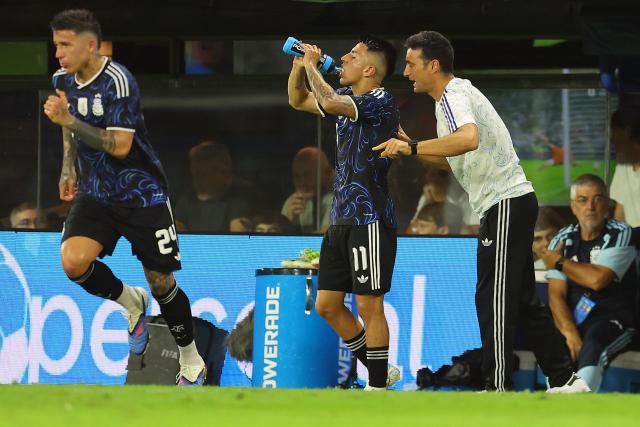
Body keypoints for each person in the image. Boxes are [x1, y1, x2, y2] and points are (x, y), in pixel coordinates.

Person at [373, 30, 588, 393]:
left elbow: (468, 139)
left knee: (494, 298)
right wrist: (408, 144)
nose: (406, 72)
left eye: (411, 64)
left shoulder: (454, 94)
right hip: (506, 204)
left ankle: (497, 387)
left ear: (434, 65)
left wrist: (410, 149)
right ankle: (565, 379)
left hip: (506, 203)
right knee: (518, 298)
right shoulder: (448, 102)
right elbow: (449, 159)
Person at [43, 9, 205, 385]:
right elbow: (68, 129)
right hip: (97, 193)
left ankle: (191, 359)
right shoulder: (62, 79)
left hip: (141, 195)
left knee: (161, 283)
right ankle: (130, 302)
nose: (59, 54)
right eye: (56, 46)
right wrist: (68, 167)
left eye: (66, 45)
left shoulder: (119, 81)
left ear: (90, 44)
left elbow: (119, 145)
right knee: (73, 261)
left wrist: (67, 120)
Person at [287, 34, 400, 390]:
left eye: (353, 55)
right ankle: (381, 369)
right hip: (340, 220)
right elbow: (297, 99)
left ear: (369, 69)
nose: (343, 59)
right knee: (328, 305)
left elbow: (330, 101)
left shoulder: (380, 100)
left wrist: (311, 67)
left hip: (370, 220)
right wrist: (298, 66)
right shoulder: (348, 98)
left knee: (370, 306)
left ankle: (378, 388)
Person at [540, 174, 638, 392]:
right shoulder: (562, 239)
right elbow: (556, 295)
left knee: (594, 341)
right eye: (583, 200)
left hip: (614, 318)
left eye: (598, 199)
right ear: (573, 206)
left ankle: (579, 404)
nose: (591, 207)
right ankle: (555, 408)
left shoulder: (621, 233)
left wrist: (558, 261)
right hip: (574, 319)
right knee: (554, 342)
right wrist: (569, 332)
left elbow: (598, 280)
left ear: (607, 203)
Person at [175, 140, 252, 232]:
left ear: (222, 171)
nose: (196, 181)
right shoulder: (188, 198)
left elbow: (238, 240)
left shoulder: (244, 196)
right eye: (194, 175)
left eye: (202, 175)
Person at [281, 147, 333, 233]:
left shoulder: (336, 200)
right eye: (297, 176)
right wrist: (288, 220)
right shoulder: (292, 203)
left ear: (326, 174)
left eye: (307, 175)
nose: (302, 182)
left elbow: (325, 238)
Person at [610, 108, 640, 227]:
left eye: (614, 132)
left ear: (626, 132)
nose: (611, 139)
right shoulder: (623, 167)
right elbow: (620, 210)